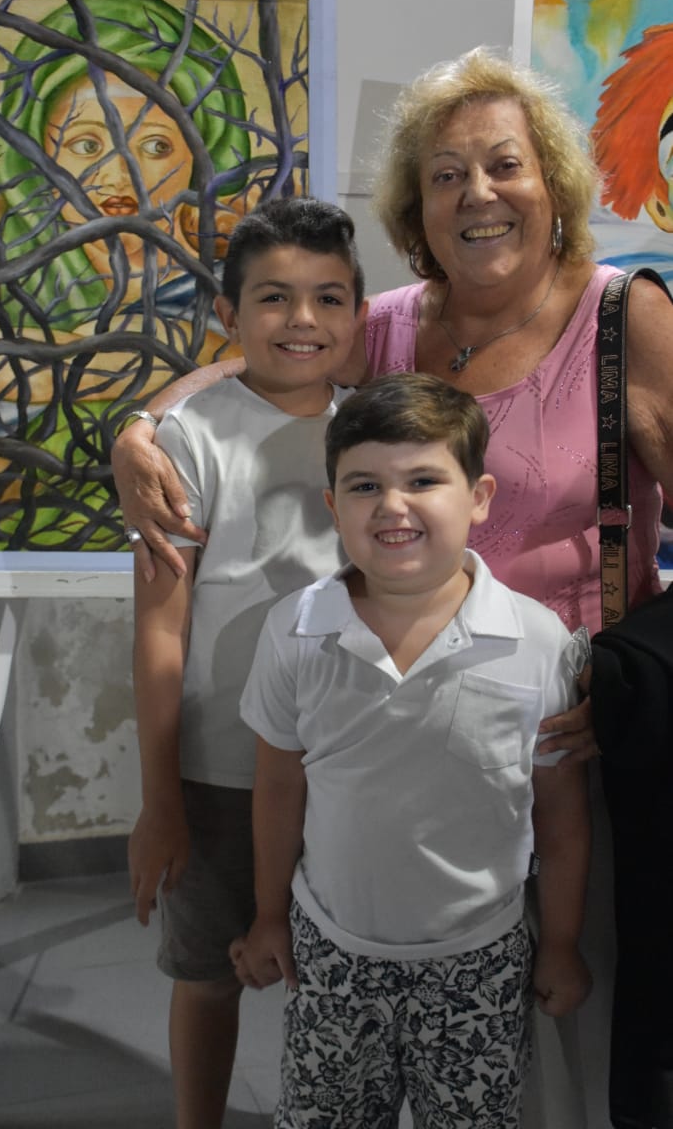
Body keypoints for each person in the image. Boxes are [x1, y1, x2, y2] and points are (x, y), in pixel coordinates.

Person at [113, 46, 673, 1127]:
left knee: (575, 998)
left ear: (552, 183)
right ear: (417, 207)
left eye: (503, 164)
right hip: (404, 720)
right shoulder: (391, 324)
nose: (477, 194)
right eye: (445, 174)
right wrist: (139, 424)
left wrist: (633, 673)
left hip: (572, 724)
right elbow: (263, 357)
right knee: (423, 988)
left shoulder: (623, 320)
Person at [231, 372, 591, 1127]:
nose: (392, 506)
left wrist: (559, 943)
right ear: (332, 506)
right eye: (364, 486)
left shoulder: (536, 641)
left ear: (479, 497)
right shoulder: (294, 630)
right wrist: (268, 916)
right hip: (332, 953)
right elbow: (278, 789)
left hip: (481, 960)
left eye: (423, 480)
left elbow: (559, 816)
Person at [128, 196, 367, 1129]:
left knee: (339, 971)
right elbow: (160, 630)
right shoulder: (188, 437)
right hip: (219, 769)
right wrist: (160, 800)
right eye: (273, 297)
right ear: (228, 315)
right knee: (206, 976)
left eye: (328, 298)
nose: (303, 320)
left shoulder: (371, 432)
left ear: (357, 312)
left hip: (344, 764)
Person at [0, 0, 287, 548]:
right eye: (85, 143)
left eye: (156, 145)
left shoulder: (235, 294)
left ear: (203, 157)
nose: (119, 173)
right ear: (36, 155)